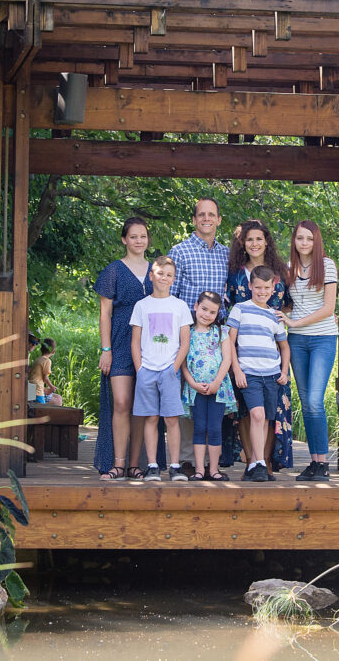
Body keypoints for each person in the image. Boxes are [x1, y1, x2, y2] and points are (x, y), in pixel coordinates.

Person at [225, 220, 292, 474]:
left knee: (272, 412)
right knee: (246, 410)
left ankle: (266, 463)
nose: (254, 244)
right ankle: (251, 462)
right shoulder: (235, 274)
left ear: (267, 242)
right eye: (249, 239)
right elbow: (228, 307)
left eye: (259, 239)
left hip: (271, 356)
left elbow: (289, 304)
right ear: (243, 243)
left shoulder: (280, 272)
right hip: (242, 356)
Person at [168, 197, 229, 471]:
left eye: (211, 214)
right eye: (201, 214)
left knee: (212, 401)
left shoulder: (226, 254)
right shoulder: (179, 251)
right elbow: (171, 294)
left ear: (218, 219)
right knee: (187, 398)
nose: (206, 218)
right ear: (194, 220)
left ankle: (211, 463)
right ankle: (187, 460)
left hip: (216, 337)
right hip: (187, 334)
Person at [93, 217, 154, 481]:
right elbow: (105, 313)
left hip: (150, 345)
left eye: (143, 236)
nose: (139, 241)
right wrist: (105, 348)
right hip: (119, 341)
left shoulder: (156, 271)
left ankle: (135, 464)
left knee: (142, 405)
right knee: (121, 402)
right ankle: (116, 463)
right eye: (133, 236)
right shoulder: (113, 271)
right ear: (124, 239)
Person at [278, 220, 338, 482]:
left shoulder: (327, 265)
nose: (304, 243)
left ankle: (323, 463)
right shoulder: (288, 269)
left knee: (315, 400)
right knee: (305, 403)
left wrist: (294, 323)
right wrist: (282, 316)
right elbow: (291, 305)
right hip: (297, 342)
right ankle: (313, 464)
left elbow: (328, 308)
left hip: (322, 338)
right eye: (299, 238)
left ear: (316, 241)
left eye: (309, 239)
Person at [130, 256, 193, 481]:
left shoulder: (179, 306)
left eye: (169, 275)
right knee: (151, 418)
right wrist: (140, 369)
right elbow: (135, 341)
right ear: (151, 275)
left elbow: (185, 341)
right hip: (147, 369)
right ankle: (153, 465)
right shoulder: (142, 305)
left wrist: (173, 368)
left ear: (174, 279)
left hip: (169, 370)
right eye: (160, 273)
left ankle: (175, 466)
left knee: (172, 418)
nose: (164, 278)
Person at [181, 291, 237, 481]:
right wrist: (192, 383)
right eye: (204, 309)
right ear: (196, 306)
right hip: (195, 388)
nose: (207, 314)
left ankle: (213, 469)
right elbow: (182, 362)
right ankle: (198, 470)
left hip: (218, 388)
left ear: (217, 314)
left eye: (212, 312)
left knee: (214, 428)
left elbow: (227, 359)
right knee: (199, 427)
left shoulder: (221, 332)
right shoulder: (187, 332)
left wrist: (216, 382)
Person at [27, 338, 63, 406]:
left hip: (31, 386)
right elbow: (45, 378)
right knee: (41, 409)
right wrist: (52, 387)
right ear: (53, 352)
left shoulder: (38, 359)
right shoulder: (47, 361)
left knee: (31, 407)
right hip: (37, 389)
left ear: (41, 349)